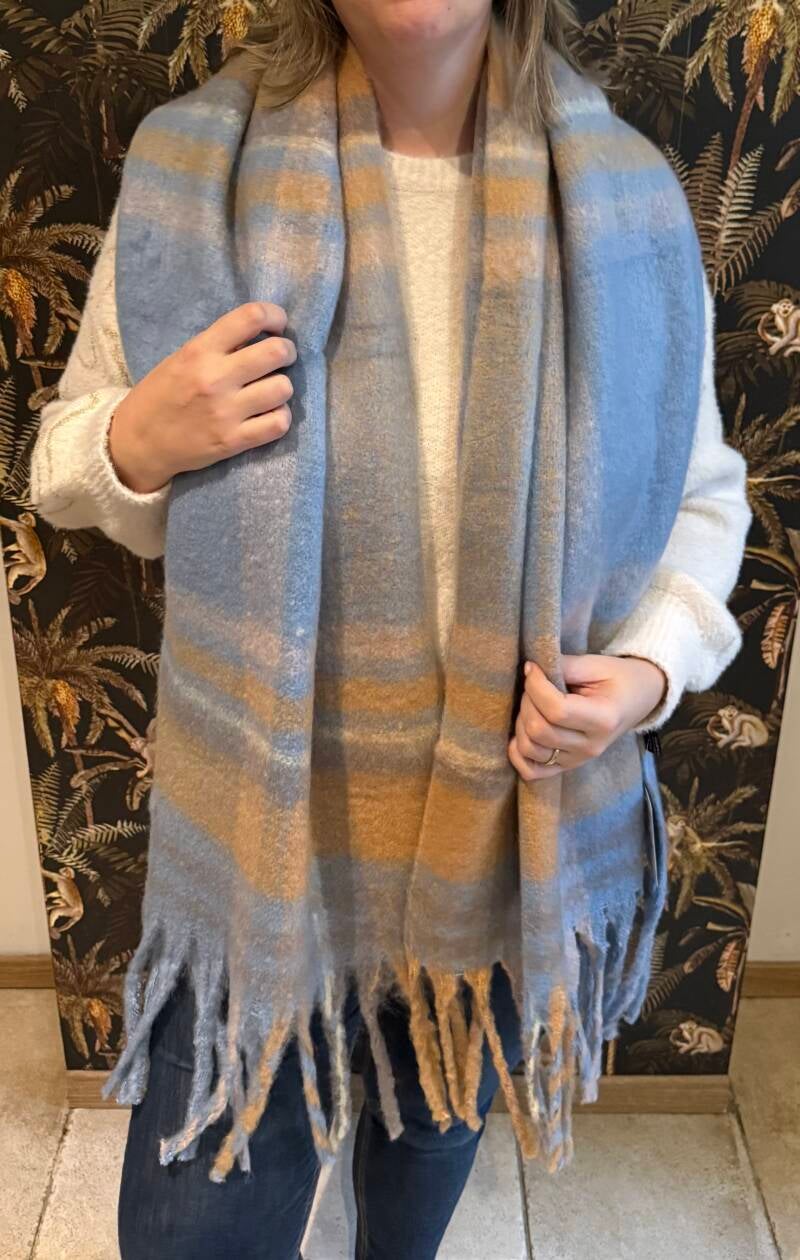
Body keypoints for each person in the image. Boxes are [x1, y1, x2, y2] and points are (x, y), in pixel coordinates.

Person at [29, 1, 751, 1257]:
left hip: (490, 838)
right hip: (265, 845)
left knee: (417, 1174)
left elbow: (703, 497)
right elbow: (61, 465)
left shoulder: (625, 203)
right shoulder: (191, 173)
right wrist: (140, 438)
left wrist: (644, 674)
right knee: (195, 1228)